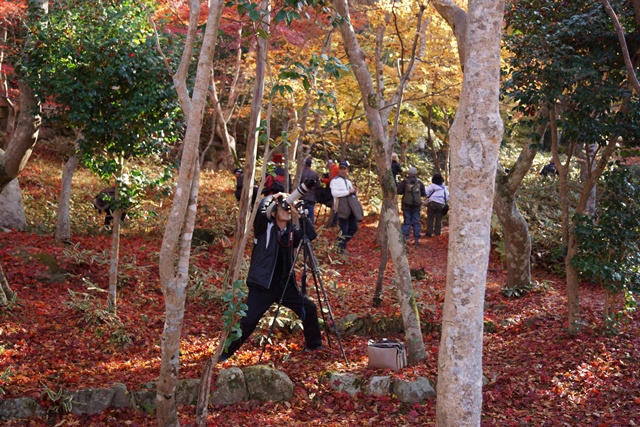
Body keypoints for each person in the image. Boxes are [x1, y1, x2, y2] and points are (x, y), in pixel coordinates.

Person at [219, 191, 323, 361]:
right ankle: (225, 353)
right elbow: (261, 209)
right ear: (274, 212)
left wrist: (298, 212)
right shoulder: (264, 228)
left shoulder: (290, 233)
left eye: (288, 210)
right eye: (283, 209)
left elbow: (309, 235)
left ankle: (314, 345)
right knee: (248, 321)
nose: (287, 211)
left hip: (285, 286)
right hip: (263, 285)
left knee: (309, 308)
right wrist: (274, 197)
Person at [330, 161, 359, 253]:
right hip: (341, 208)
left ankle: (340, 244)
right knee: (344, 229)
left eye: (344, 169)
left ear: (347, 170)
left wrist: (354, 191)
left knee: (354, 227)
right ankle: (341, 249)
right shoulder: (334, 181)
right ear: (338, 170)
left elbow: (352, 194)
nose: (343, 171)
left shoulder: (348, 181)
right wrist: (348, 192)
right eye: (341, 168)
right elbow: (334, 193)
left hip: (350, 208)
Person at [397, 167, 426, 246]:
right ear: (416, 173)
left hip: (406, 205)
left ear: (408, 173)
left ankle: (405, 238)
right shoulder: (420, 183)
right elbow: (423, 194)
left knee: (407, 222)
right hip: (417, 206)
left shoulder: (404, 182)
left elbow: (399, 191)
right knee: (416, 222)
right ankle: (416, 239)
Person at [300, 157, 319, 224]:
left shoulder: (300, 173)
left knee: (301, 216)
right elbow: (318, 186)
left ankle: (302, 231)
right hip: (311, 198)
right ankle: (311, 231)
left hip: (302, 197)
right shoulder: (315, 174)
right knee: (310, 218)